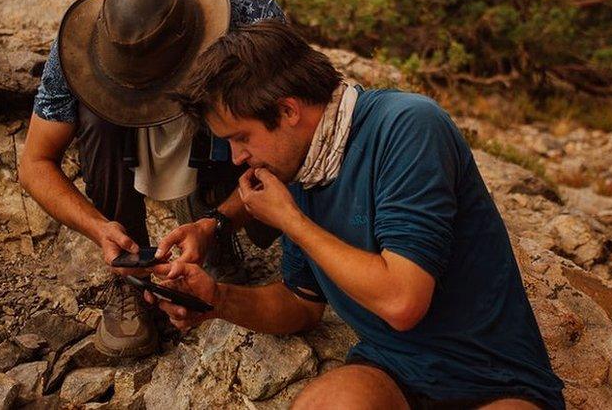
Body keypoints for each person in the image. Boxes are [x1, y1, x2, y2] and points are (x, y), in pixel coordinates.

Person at [149, 21, 566, 409]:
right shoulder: (303, 164)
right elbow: (301, 303)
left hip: (495, 382)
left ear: (289, 111)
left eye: (241, 138)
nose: (238, 158)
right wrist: (215, 299)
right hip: (393, 371)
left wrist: (291, 220)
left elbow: (403, 301)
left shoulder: (407, 127)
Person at [18, 0, 283, 358]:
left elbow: (291, 144)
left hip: (217, 137)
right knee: (94, 118)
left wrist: (216, 223)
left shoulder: (250, 19)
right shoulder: (77, 50)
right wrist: (99, 229)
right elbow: (35, 163)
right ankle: (130, 274)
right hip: (119, 148)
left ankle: (216, 241)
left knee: (232, 98)